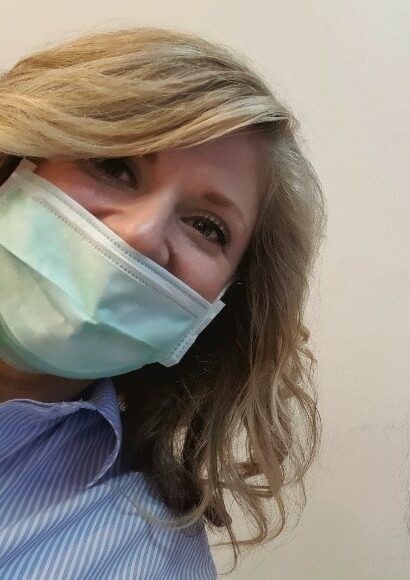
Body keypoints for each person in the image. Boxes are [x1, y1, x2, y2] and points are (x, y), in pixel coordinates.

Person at [0, 28, 324, 578]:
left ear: (220, 307)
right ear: (20, 159)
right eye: (114, 167)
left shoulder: (154, 554)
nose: (141, 236)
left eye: (207, 227)